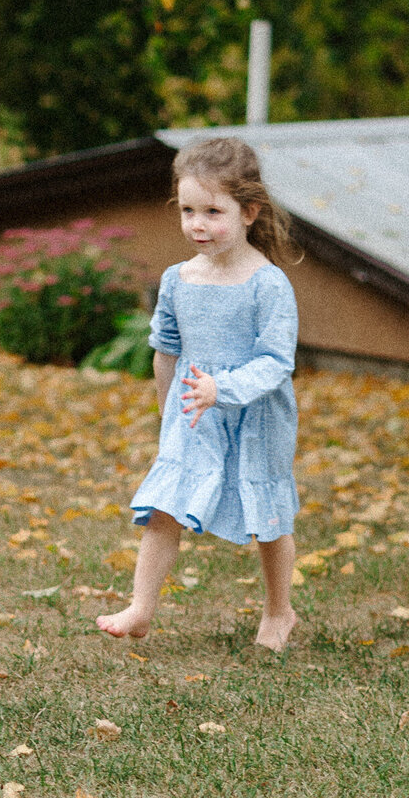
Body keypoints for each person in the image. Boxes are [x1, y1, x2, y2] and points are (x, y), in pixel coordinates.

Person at [96, 137, 302, 652]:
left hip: (255, 417)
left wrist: (223, 388)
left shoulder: (267, 285)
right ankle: (140, 609)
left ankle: (280, 612)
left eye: (213, 211)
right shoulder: (178, 278)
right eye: (188, 210)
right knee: (164, 507)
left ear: (249, 211)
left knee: (267, 518)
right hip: (193, 415)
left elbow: (276, 362)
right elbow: (165, 349)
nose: (198, 224)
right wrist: (170, 414)